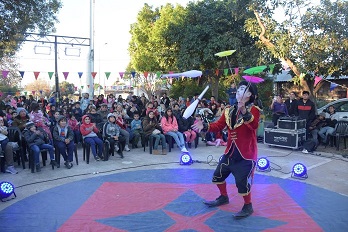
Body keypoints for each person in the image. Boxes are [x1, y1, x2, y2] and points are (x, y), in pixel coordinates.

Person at [192, 80, 260, 219]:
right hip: (230, 152)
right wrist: (204, 126)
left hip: (246, 153)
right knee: (218, 175)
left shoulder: (254, 110)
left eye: (243, 89)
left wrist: (244, 111)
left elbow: (253, 126)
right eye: (239, 89)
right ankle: (223, 197)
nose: (239, 91)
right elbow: (218, 125)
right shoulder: (228, 109)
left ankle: (248, 206)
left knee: (242, 182)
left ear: (250, 95)